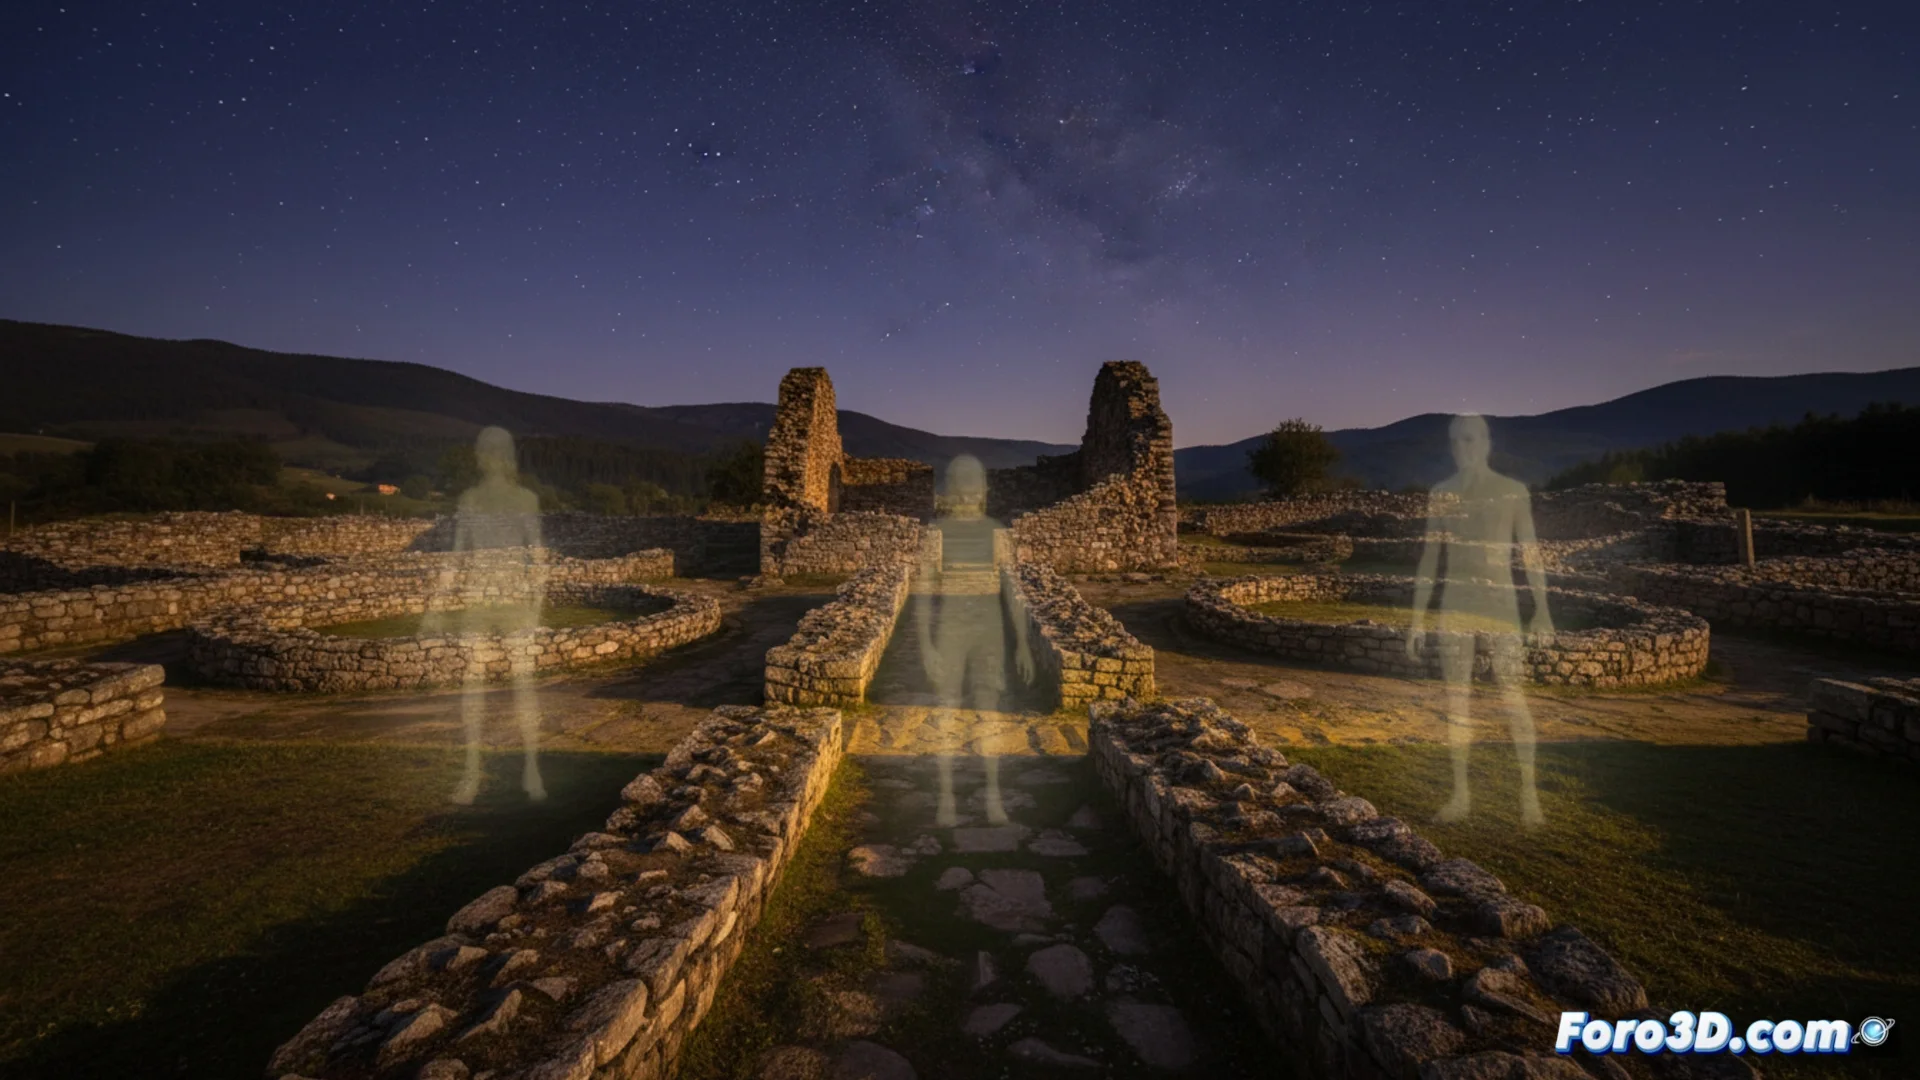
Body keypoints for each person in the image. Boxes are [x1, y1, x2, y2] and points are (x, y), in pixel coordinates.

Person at [1404, 413, 1554, 826]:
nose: (1463, 449)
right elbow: (1430, 558)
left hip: (1501, 605)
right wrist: (1418, 619)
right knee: (1457, 702)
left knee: (1513, 697)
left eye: (1470, 439)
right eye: (1456, 441)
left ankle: (1528, 794)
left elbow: (1531, 553)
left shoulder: (1511, 492)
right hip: (1455, 604)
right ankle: (1460, 795)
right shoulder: (1442, 494)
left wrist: (1542, 610)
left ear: (1486, 442)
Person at [916, 454, 1036, 826]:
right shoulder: (936, 535)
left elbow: (1011, 590)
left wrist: (1023, 643)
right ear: (949, 492)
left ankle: (993, 795)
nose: (967, 497)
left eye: (973, 488)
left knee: (988, 713)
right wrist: (926, 646)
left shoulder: (997, 533)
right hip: (951, 628)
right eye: (960, 489)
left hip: (989, 630)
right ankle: (947, 799)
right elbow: (922, 593)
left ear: (984, 490)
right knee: (948, 713)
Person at [434, 425, 549, 805]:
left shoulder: (524, 499)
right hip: (478, 602)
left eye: (491, 451)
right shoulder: (469, 499)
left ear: (504, 456)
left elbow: (538, 556)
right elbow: (455, 554)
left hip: (515, 601)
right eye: (481, 450)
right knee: (473, 689)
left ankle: (531, 768)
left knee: (523, 686)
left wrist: (534, 606)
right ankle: (470, 772)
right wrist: (436, 607)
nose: (484, 457)